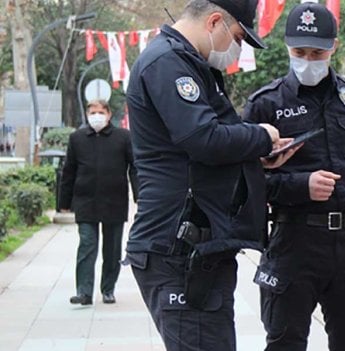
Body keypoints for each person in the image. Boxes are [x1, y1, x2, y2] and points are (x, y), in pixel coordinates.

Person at [124, 0, 294, 349]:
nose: (236, 50)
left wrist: (256, 160)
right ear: (214, 21)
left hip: (199, 247)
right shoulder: (168, 63)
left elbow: (194, 153)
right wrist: (263, 136)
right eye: (236, 37)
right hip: (178, 249)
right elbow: (204, 138)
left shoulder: (189, 63)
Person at [243, 3, 345, 350]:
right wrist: (300, 186)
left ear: (334, 47)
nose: (308, 60)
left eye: (317, 52)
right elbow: (245, 181)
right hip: (292, 241)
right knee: (285, 341)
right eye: (299, 52)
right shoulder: (265, 104)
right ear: (287, 47)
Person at [59, 99, 138, 306]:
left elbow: (134, 167)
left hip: (114, 200)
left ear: (109, 114)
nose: (96, 116)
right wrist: (64, 201)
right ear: (87, 115)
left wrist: (140, 196)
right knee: (87, 245)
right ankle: (84, 292)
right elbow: (69, 171)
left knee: (112, 250)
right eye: (92, 112)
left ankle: (108, 289)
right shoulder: (77, 139)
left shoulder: (123, 138)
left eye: (100, 112)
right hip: (85, 201)